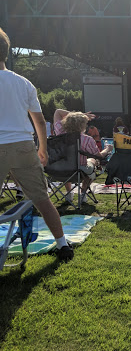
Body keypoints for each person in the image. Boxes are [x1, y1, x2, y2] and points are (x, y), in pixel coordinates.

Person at [0, 28, 73, 261]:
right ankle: (62, 245)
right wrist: (42, 148)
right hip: (23, 145)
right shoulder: (24, 83)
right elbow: (39, 121)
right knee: (42, 198)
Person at [53, 109, 112, 204]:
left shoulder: (60, 132)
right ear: (82, 125)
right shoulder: (87, 139)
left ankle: (69, 193)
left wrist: (79, 115)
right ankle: (83, 193)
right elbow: (99, 156)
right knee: (93, 161)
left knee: (67, 162)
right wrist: (108, 149)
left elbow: (57, 112)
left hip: (61, 170)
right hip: (79, 171)